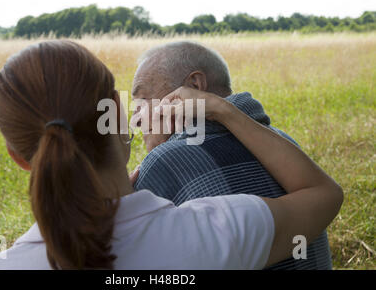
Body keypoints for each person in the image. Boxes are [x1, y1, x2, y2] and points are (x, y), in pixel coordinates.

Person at [0, 40, 343, 270]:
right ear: (115, 113)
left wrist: (164, 159)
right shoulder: (220, 229)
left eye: (142, 96)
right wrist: (224, 111)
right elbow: (323, 194)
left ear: (19, 157)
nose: (140, 113)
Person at [132, 41, 333, 269]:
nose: (136, 119)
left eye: (143, 100)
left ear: (195, 85)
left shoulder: (166, 162)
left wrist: (157, 156)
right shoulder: (283, 143)